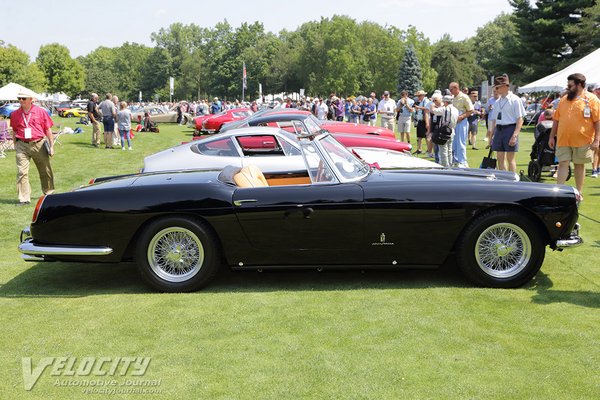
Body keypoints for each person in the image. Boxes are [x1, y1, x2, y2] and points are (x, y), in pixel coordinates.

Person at [549, 73, 600, 197]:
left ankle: (578, 193)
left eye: (570, 85)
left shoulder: (592, 99)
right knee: (562, 163)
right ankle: (559, 192)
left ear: (579, 85)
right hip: (563, 138)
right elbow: (556, 119)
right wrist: (551, 136)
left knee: (579, 165)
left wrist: (597, 139)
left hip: (583, 139)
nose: (568, 87)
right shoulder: (564, 99)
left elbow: (597, 120)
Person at [9, 91, 55, 205]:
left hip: (38, 144)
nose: (21, 101)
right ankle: (24, 198)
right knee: (21, 172)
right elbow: (14, 130)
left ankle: (48, 193)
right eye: (19, 98)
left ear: (31, 99)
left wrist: (52, 146)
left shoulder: (41, 112)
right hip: (22, 145)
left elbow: (48, 130)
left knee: (45, 170)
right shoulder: (15, 114)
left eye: (23, 98)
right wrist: (15, 145)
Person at [487, 74, 525, 173]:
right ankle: (503, 179)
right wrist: (491, 136)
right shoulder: (497, 102)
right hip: (499, 129)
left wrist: (515, 135)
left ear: (504, 86)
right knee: (500, 157)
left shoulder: (515, 100)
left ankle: (512, 180)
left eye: (497, 87)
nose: (495, 89)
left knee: (510, 158)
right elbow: (494, 120)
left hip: (510, 129)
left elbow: (520, 119)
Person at [449, 82, 474, 167]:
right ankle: (455, 160)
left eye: (451, 89)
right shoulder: (453, 98)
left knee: (460, 141)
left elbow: (471, 110)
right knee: (454, 142)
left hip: (461, 121)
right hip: (454, 122)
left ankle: (462, 161)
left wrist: (462, 116)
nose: (450, 91)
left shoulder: (464, 97)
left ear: (456, 88)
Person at [430, 94, 459, 167]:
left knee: (443, 149)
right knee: (449, 149)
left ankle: (445, 165)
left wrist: (432, 105)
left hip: (444, 131)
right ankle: (450, 164)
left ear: (446, 102)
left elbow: (434, 111)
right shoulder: (456, 109)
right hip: (452, 130)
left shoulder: (445, 109)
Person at [413, 90, 430, 155]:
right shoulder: (421, 101)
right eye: (418, 96)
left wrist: (418, 107)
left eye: (419, 96)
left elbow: (426, 108)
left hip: (424, 120)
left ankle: (429, 149)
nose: (418, 97)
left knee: (426, 135)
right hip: (420, 120)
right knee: (419, 136)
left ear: (423, 95)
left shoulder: (426, 101)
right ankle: (419, 149)